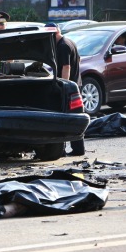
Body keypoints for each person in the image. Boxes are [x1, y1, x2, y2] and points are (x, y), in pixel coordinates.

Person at [45, 22, 85, 156]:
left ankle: (68, 149)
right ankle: (78, 149)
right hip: (76, 84)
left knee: (66, 119)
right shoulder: (69, 42)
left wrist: (64, 85)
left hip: (70, 87)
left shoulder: (62, 46)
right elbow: (78, 60)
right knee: (75, 118)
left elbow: (66, 67)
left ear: (55, 33)